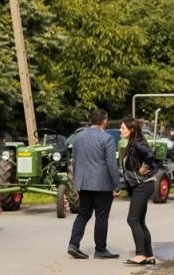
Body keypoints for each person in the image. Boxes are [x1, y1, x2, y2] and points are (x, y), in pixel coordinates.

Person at [67, 108, 121, 260]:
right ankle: (100, 249)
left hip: (84, 183)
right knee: (101, 216)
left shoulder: (78, 138)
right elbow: (111, 164)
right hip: (102, 184)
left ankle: (73, 244)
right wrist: (117, 184)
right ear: (104, 121)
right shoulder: (107, 138)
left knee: (83, 214)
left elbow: (74, 161)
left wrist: (77, 180)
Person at [119, 117, 159, 266]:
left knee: (132, 219)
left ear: (132, 129)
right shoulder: (133, 143)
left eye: (123, 128)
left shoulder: (137, 143)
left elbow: (150, 154)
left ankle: (140, 254)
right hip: (142, 185)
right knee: (140, 221)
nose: (120, 130)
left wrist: (145, 167)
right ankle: (149, 255)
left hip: (143, 185)